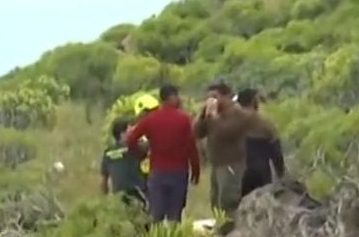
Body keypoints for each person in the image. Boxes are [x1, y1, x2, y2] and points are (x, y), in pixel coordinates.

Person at [193, 79, 273, 216]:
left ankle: (232, 226)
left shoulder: (237, 113)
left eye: (215, 97)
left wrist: (214, 117)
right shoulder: (212, 114)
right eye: (209, 98)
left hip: (231, 164)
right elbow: (197, 133)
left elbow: (224, 132)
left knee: (228, 201)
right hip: (216, 164)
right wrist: (202, 115)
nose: (212, 101)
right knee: (215, 201)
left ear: (226, 96)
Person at [123, 83, 200, 223]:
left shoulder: (150, 120)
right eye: (177, 96)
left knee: (156, 214)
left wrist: (139, 153)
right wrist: (195, 169)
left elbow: (130, 140)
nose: (179, 99)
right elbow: (191, 147)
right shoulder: (183, 119)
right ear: (171, 97)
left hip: (157, 172)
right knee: (174, 214)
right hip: (179, 172)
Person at [235, 87, 287, 199]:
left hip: (237, 172)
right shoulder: (264, 121)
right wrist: (281, 173)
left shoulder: (231, 119)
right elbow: (276, 149)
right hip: (260, 171)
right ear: (254, 100)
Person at [101, 118, 147, 207]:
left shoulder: (108, 152)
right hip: (136, 191)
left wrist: (104, 200)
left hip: (118, 194)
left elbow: (104, 179)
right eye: (131, 131)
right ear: (123, 134)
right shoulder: (133, 148)